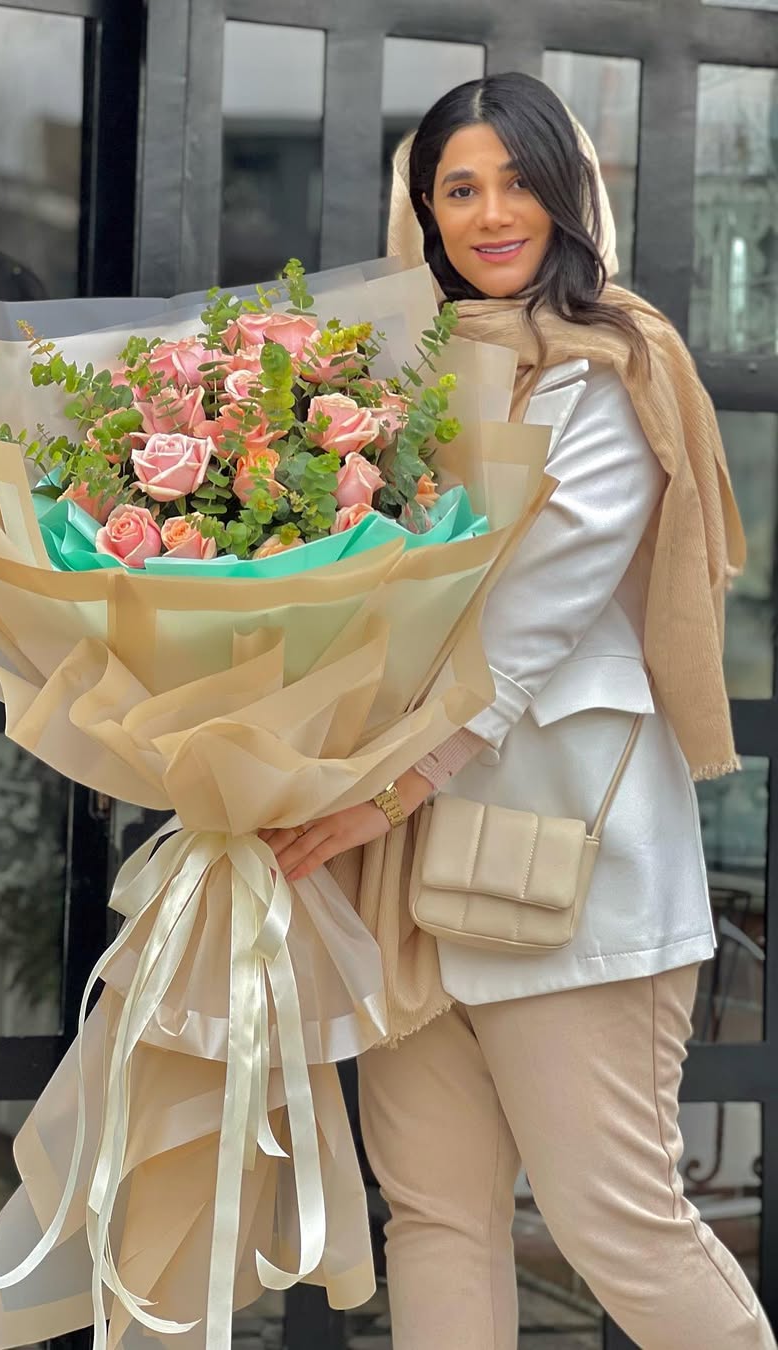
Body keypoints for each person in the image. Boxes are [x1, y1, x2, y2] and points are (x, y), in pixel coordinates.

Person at [262, 72, 775, 1349]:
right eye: (460, 189)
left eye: (519, 181)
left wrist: (384, 786)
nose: (493, 214)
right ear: (425, 214)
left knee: (619, 1226)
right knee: (436, 1218)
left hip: (561, 868)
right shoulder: (392, 387)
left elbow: (528, 615)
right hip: (398, 877)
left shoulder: (612, 367)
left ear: (568, 195)